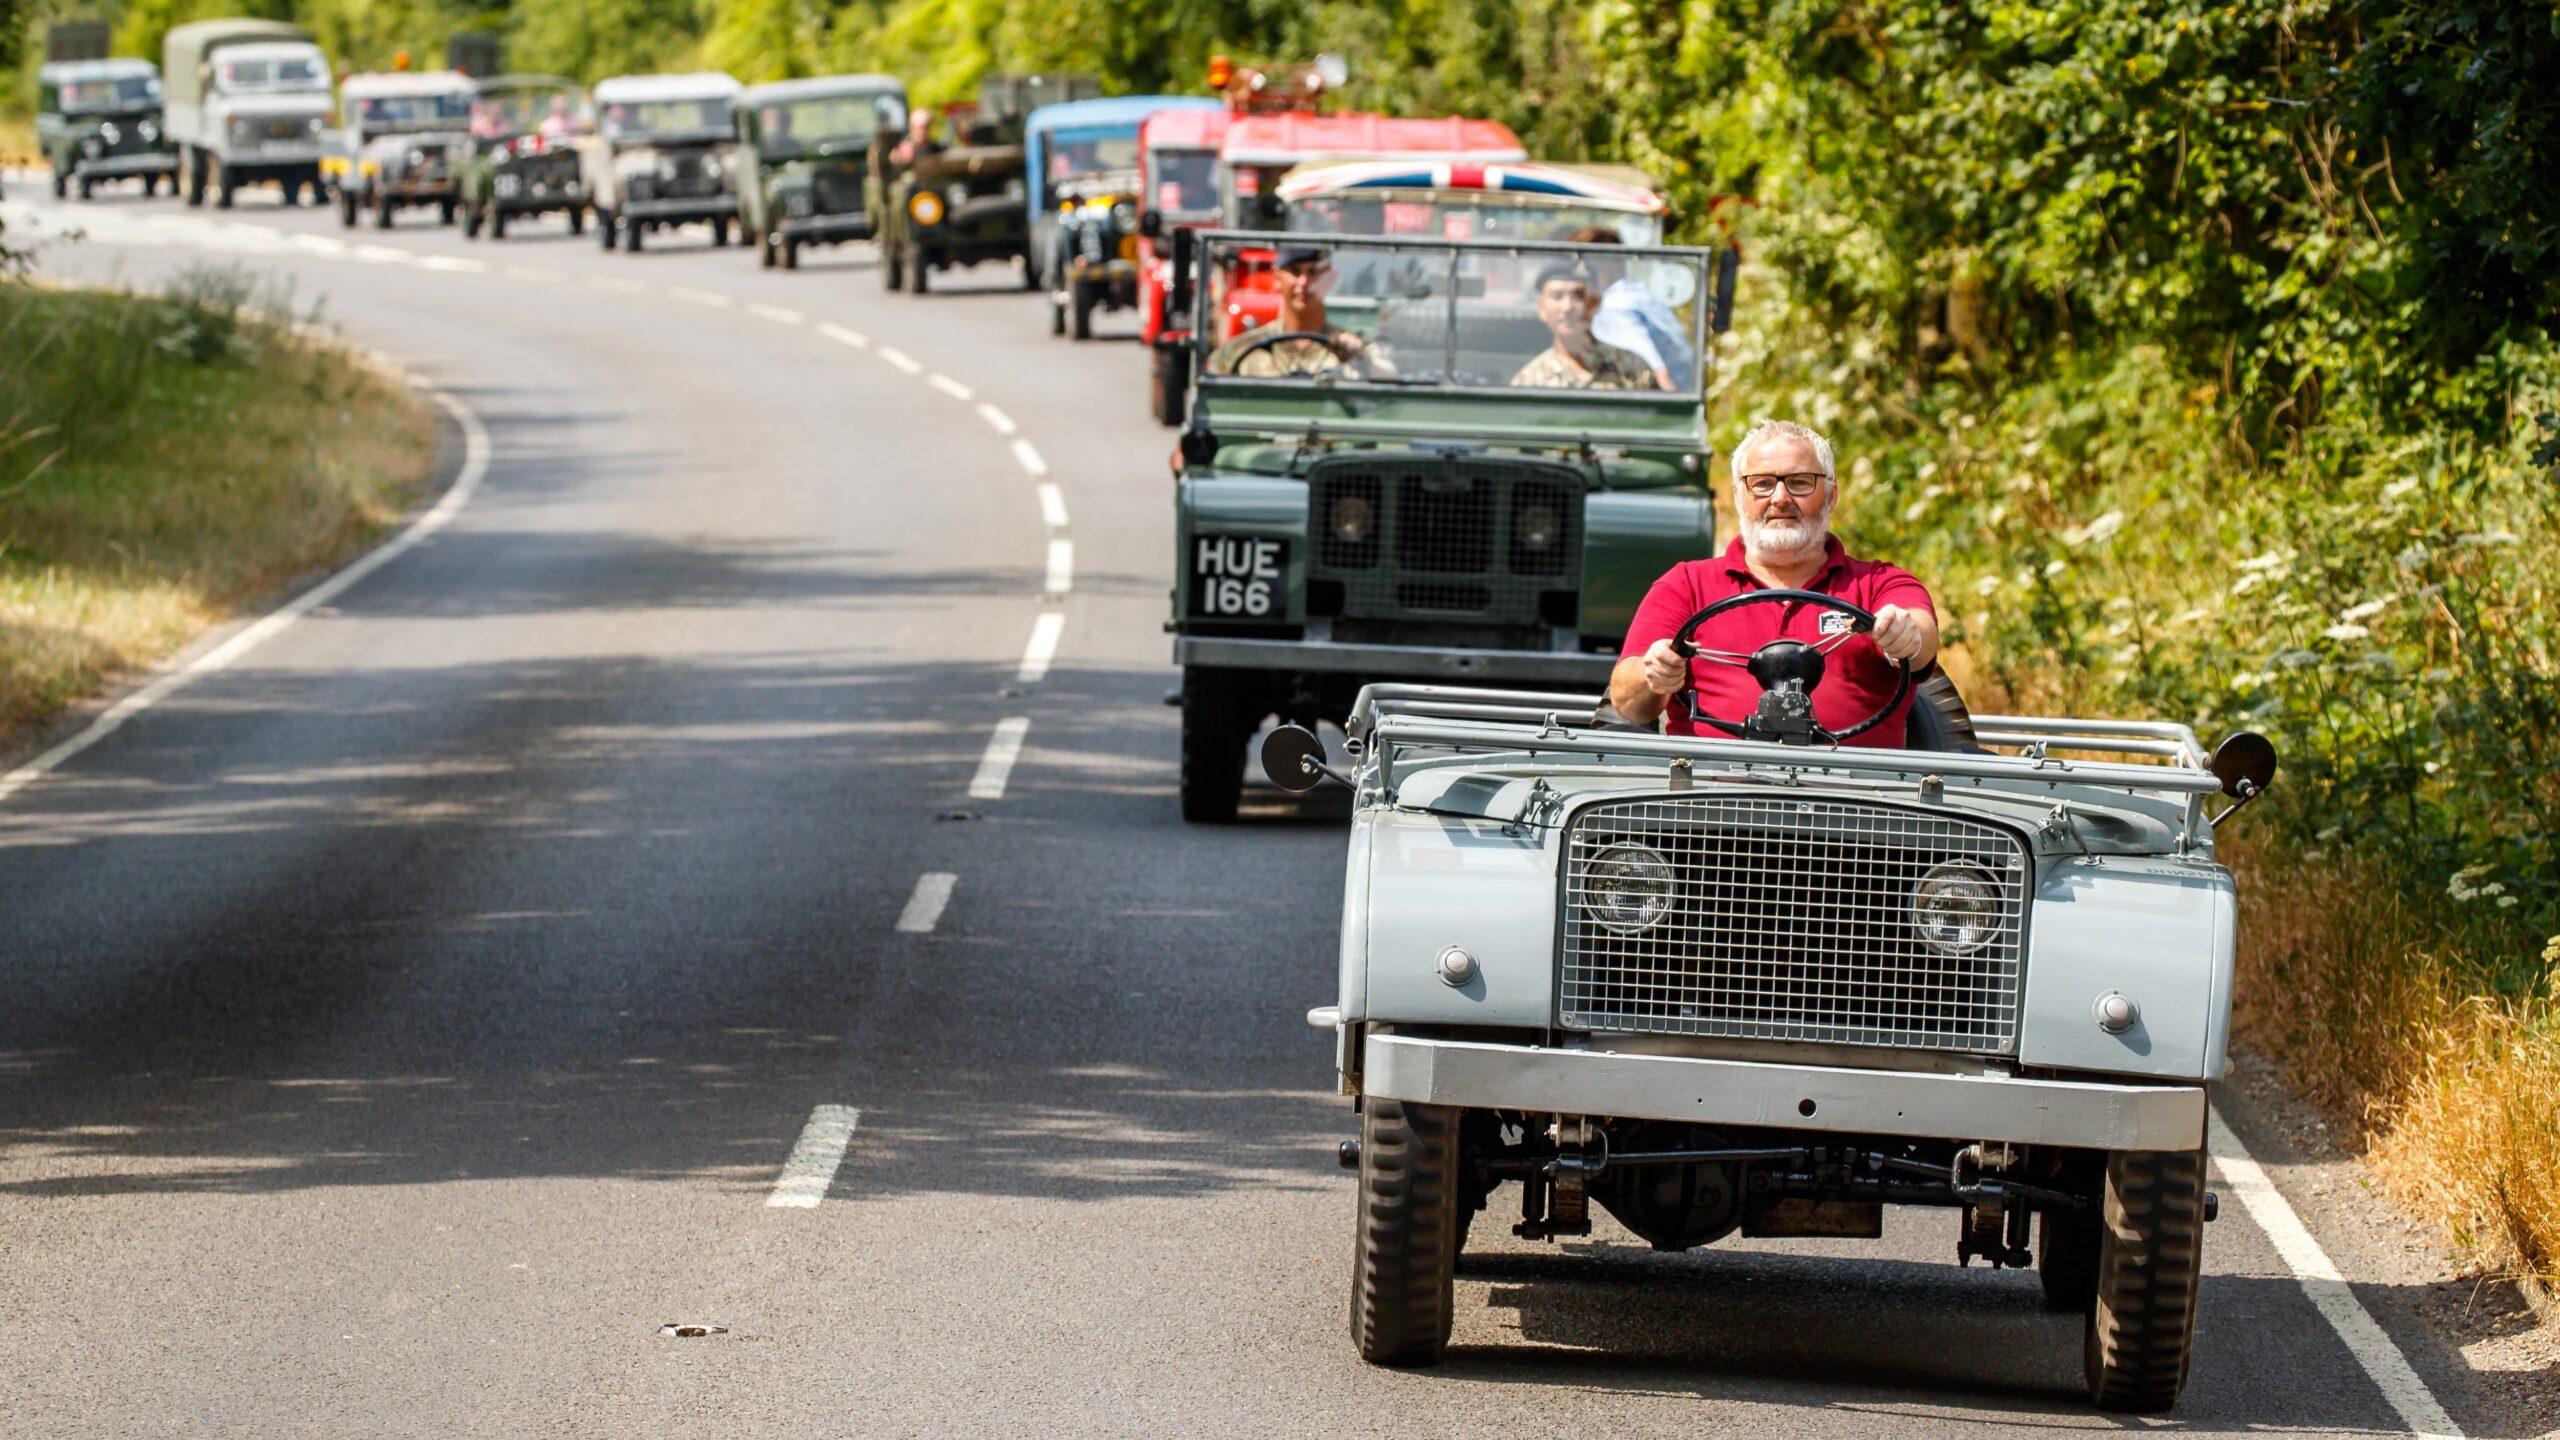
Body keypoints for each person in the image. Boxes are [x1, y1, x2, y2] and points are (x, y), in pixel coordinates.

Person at [1609, 419, 1939, 748]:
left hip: (1856, 795)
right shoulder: (1686, 584)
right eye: (1762, 483)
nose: (1780, 498)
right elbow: (1628, 703)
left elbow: (1920, 635)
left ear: (1831, 495)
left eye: (1799, 482)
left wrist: (1903, 632)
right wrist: (1654, 672)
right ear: (1738, 494)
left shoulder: (1878, 583)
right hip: (1710, 793)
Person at [1203, 247, 1395, 380]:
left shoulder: (1352, 350)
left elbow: (1390, 396)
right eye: (1294, 272)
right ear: (1277, 277)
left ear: (1330, 279)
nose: (1303, 282)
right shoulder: (1241, 352)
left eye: (1313, 272)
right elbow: (1210, 401)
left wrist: (1359, 358)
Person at [1567, 224, 1697, 391]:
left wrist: (1678, 408)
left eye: (1583, 262)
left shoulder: (1614, 307)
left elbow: (1658, 370)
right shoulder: (1639, 294)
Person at [1510, 260, 1661, 390]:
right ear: (1542, 308)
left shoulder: (1631, 367)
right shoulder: (1529, 382)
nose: (1568, 307)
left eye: (1579, 295)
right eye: (1557, 296)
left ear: (1596, 303)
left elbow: (1659, 419)